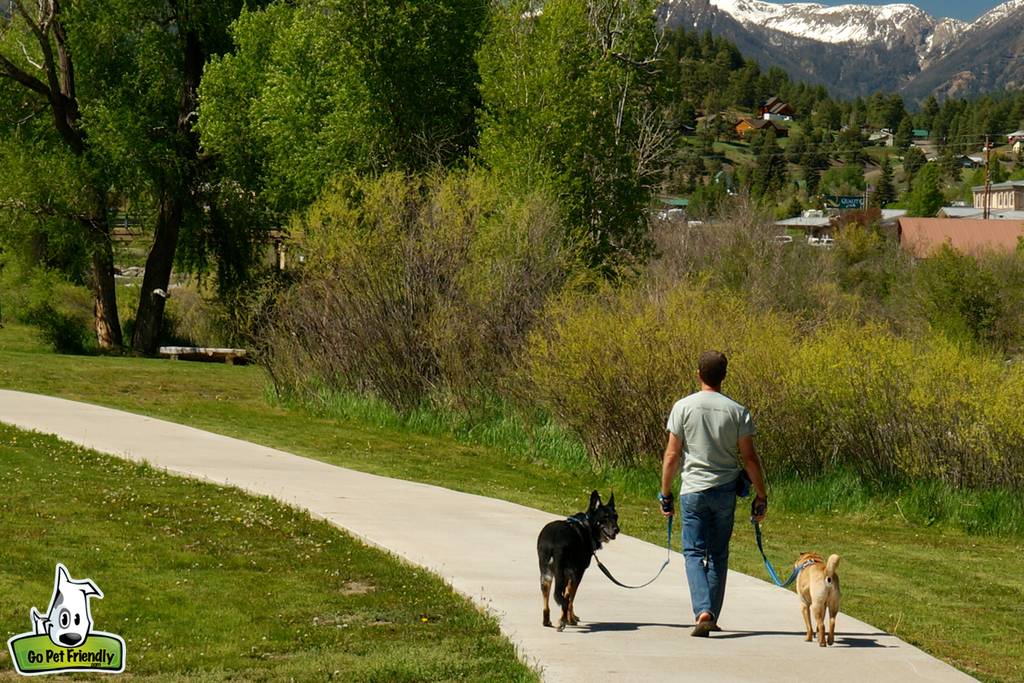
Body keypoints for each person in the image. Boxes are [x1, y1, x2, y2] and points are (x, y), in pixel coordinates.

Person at [658, 350, 767, 637]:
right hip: (725, 491)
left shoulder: (682, 407)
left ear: (698, 374)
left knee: (693, 552)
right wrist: (760, 495)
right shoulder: (737, 411)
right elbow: (750, 458)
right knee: (718, 554)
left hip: (693, 490)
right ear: (724, 376)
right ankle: (710, 615)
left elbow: (672, 455)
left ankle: (703, 611)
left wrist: (665, 493)